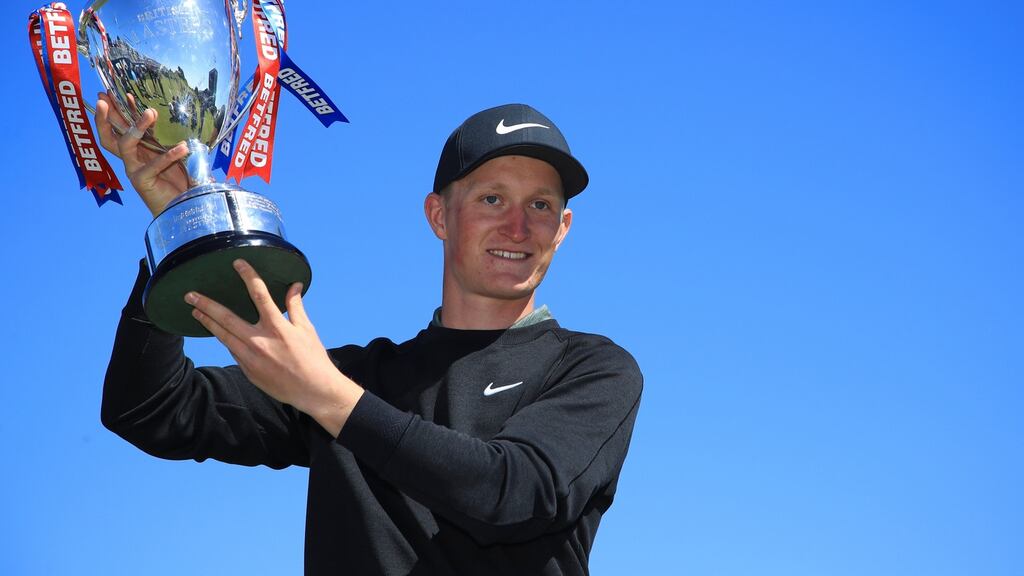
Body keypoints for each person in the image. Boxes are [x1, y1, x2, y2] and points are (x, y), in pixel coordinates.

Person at [97, 98, 643, 576]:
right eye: (492, 199)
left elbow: (511, 493)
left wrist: (327, 398)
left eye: (541, 206)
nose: (518, 228)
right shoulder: (356, 377)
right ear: (439, 216)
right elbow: (149, 408)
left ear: (563, 229)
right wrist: (179, 228)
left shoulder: (594, 369)